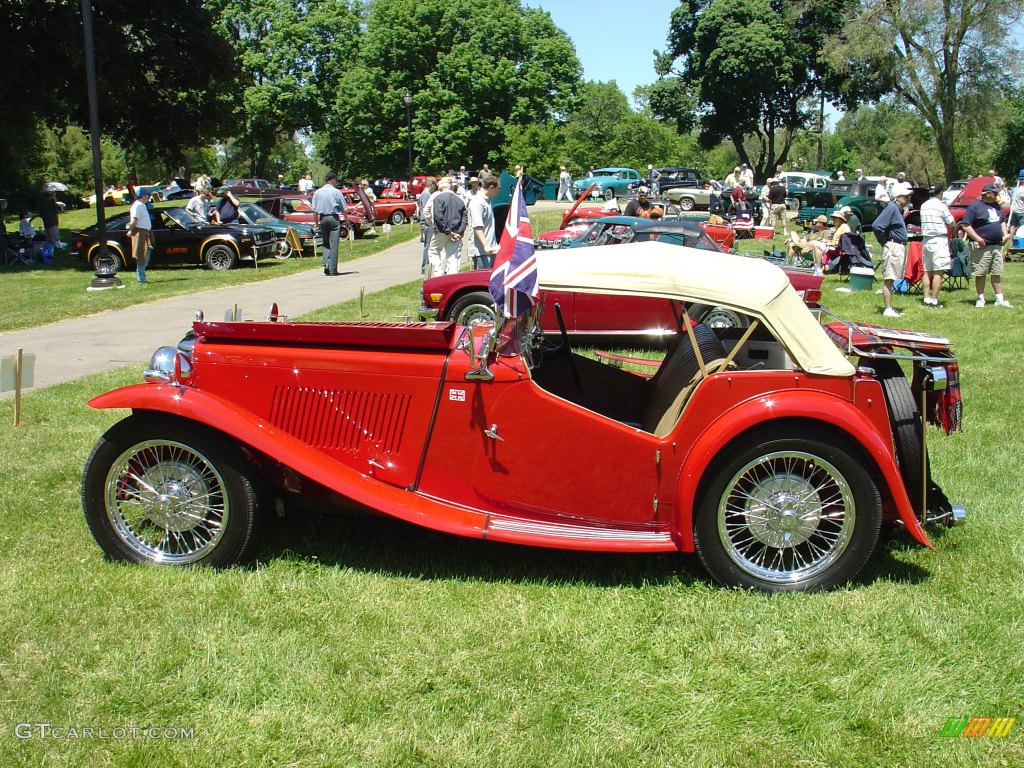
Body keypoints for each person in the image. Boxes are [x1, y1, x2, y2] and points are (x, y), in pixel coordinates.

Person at [962, 181, 1012, 307]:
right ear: (988, 193)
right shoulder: (974, 207)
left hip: (996, 245)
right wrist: (978, 239)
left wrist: (1005, 234)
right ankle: (980, 298)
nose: (997, 195)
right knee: (981, 273)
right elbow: (966, 225)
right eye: (995, 193)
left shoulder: (996, 206)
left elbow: (1002, 221)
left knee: (996, 272)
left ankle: (999, 299)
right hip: (981, 246)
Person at [871, 181, 911, 317]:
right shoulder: (892, 208)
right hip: (893, 246)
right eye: (906, 196)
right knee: (889, 278)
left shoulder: (897, 209)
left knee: (893, 278)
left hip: (898, 246)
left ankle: (890, 307)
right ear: (897, 196)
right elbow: (877, 225)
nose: (908, 199)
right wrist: (883, 241)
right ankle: (887, 309)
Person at [919, 183, 955, 307]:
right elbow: (951, 223)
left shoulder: (923, 205)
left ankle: (926, 298)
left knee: (927, 270)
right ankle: (934, 300)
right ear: (940, 193)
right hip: (938, 240)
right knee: (938, 271)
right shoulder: (941, 205)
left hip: (926, 240)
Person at [426, 177, 467, 276]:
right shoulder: (460, 200)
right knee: (453, 257)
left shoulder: (438, 198)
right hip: (455, 232)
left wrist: (448, 232)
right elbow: (464, 218)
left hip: (441, 232)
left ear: (440, 189)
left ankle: (438, 274)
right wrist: (459, 232)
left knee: (433, 250)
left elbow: (438, 216)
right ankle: (452, 278)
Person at [310, 171, 348, 276]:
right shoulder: (336, 192)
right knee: (334, 244)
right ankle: (333, 269)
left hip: (323, 218)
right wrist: (347, 220)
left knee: (326, 243)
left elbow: (315, 210)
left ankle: (326, 264)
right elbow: (343, 208)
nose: (335, 182)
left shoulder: (317, 192)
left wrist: (316, 223)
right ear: (331, 180)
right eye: (335, 180)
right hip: (334, 218)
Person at [469, 176, 501, 269]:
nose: (499, 191)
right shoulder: (478, 202)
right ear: (491, 187)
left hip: (491, 249)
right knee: (482, 281)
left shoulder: (488, 200)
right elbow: (477, 227)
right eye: (498, 188)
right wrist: (486, 245)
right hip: (482, 252)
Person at [128, 189, 152, 284]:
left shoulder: (142, 205)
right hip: (140, 233)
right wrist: (130, 230)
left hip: (145, 233)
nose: (149, 197)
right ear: (143, 195)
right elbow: (134, 220)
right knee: (141, 255)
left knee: (146, 255)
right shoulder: (137, 205)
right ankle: (141, 278)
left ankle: (142, 276)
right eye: (148, 195)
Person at [417, 176, 437, 274]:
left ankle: (428, 265)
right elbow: (426, 211)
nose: (435, 187)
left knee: (429, 245)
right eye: (435, 185)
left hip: (427, 224)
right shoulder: (426, 195)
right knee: (428, 246)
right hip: (427, 224)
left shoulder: (427, 194)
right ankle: (425, 266)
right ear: (431, 184)